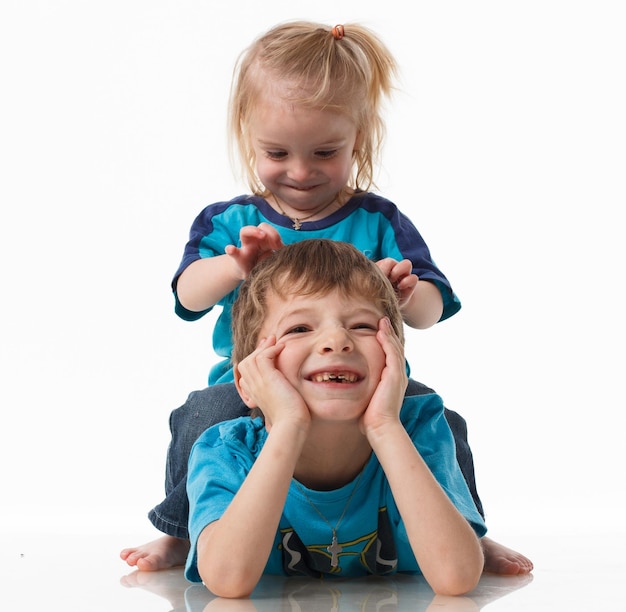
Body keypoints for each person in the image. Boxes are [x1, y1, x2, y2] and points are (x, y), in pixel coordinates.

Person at [120, 20, 532, 576]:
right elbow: (188, 297)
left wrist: (405, 292)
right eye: (277, 152)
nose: (300, 171)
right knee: (200, 415)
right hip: (259, 384)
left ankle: (467, 529)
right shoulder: (232, 222)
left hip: (369, 385)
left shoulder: (378, 220)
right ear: (247, 136)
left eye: (323, 151)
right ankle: (185, 531)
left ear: (357, 140)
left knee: (443, 420)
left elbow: (432, 309)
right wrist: (235, 265)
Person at [186, 238, 486, 597]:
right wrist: (288, 425)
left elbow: (457, 578)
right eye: (299, 329)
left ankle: (477, 532)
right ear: (247, 380)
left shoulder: (420, 429)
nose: (336, 341)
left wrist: (384, 426)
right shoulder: (225, 451)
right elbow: (227, 580)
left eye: (361, 326)